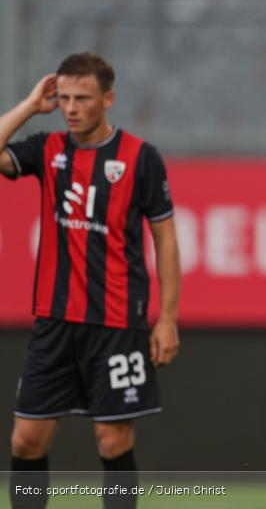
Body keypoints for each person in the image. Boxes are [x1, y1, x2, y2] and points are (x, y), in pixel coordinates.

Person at [0, 53, 181, 509]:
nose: (71, 107)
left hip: (118, 323)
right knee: (26, 441)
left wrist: (168, 319)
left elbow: (167, 240)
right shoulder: (47, 149)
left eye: (82, 98)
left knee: (113, 440)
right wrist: (27, 106)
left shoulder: (140, 158)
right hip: (54, 322)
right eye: (63, 98)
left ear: (108, 99)